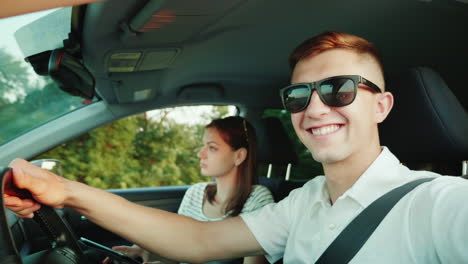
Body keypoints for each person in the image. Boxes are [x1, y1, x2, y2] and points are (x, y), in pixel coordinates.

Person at [4, 31, 468, 263]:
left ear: (382, 106)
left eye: (340, 89)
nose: (316, 108)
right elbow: (200, 239)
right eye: (298, 96)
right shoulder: (304, 202)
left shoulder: (441, 203)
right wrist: (65, 192)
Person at [106, 116, 274, 264]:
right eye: (203, 146)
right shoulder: (195, 192)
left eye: (212, 148)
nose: (200, 154)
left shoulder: (258, 199)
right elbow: (179, 250)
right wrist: (146, 251)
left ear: (239, 156)